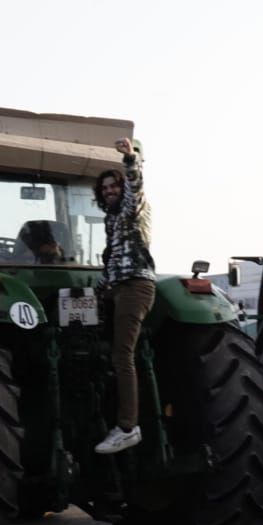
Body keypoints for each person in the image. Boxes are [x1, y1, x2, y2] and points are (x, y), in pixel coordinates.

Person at [92, 137, 156, 456]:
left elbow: (136, 187)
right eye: (104, 189)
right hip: (118, 287)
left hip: (135, 287)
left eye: (112, 187)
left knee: (123, 354)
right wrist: (98, 288)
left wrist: (130, 159)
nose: (110, 191)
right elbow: (115, 260)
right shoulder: (112, 219)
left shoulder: (132, 209)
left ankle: (128, 427)